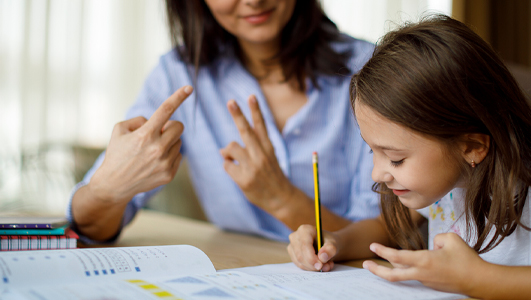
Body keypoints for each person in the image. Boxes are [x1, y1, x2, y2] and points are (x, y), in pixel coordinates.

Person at [287, 15, 531, 299]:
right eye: (373, 151)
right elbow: (383, 226)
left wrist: (481, 280)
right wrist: (334, 242)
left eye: (395, 159)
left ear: (472, 146)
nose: (377, 173)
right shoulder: (446, 184)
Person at [67, 0, 380, 243]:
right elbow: (91, 227)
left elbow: (391, 232)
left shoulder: (370, 70)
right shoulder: (179, 74)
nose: (253, 1)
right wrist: (107, 191)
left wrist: (281, 199)